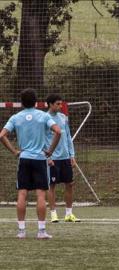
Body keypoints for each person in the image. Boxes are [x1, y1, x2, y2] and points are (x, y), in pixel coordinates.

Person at [0, 89, 61, 239]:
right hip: (40, 159)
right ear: (36, 102)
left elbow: (2, 135)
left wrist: (15, 151)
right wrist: (50, 151)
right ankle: (41, 231)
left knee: (22, 194)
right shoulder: (43, 116)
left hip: (24, 159)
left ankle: (21, 231)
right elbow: (58, 131)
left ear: (21, 102)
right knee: (41, 194)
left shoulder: (16, 117)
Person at [46, 94, 80, 223]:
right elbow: (43, 139)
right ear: (50, 104)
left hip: (66, 157)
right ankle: (53, 214)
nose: (60, 106)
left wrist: (72, 155)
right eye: (58, 104)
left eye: (61, 104)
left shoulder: (63, 118)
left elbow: (68, 137)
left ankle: (69, 214)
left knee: (70, 184)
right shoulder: (44, 118)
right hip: (52, 158)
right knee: (52, 185)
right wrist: (47, 157)